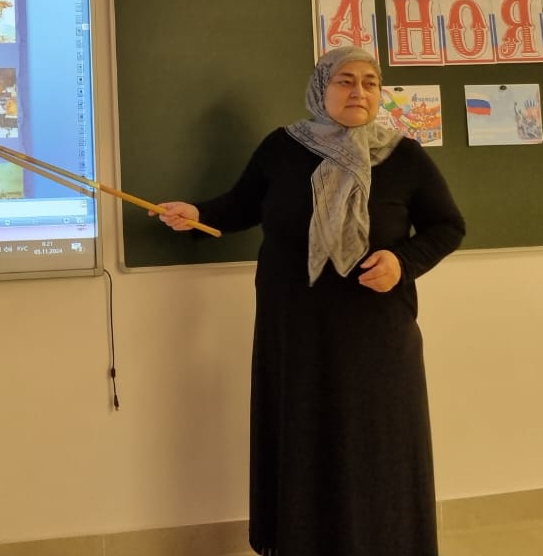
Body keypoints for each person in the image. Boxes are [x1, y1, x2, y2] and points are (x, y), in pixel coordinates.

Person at [152, 45, 464, 556]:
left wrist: (402, 262)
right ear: (321, 88)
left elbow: (448, 226)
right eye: (345, 80)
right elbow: (240, 206)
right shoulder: (282, 148)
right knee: (304, 434)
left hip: (376, 332)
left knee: (376, 441)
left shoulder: (403, 156)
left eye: (369, 82)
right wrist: (196, 213)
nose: (359, 91)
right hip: (294, 327)